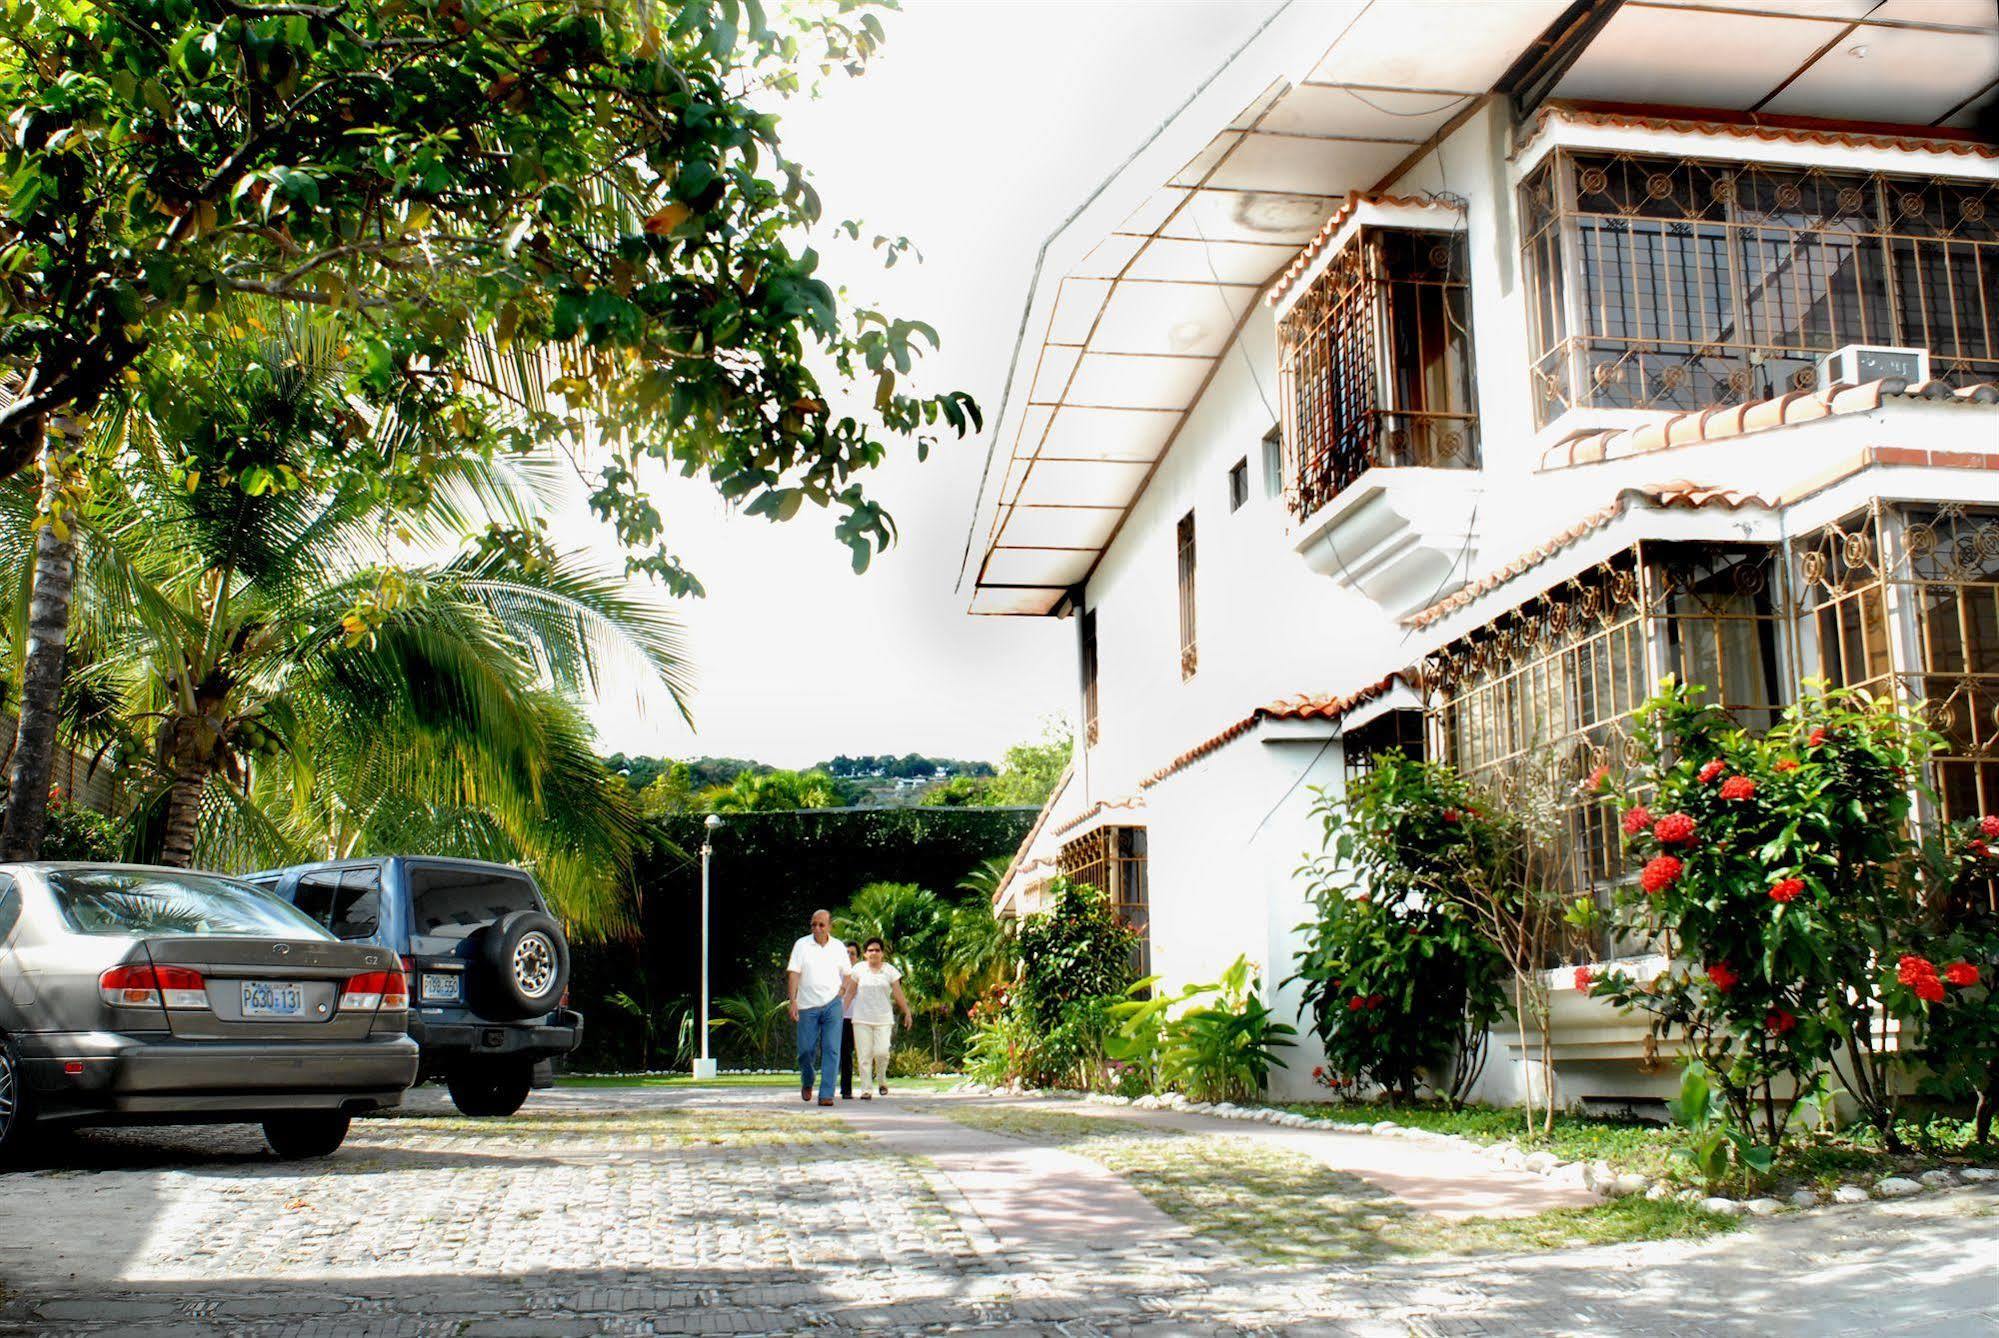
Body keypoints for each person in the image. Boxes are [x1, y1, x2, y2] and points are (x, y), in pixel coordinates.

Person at [785, 909, 851, 1107]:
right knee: (805, 1050)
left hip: (832, 1004)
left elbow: (848, 973)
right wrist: (793, 1000)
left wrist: (843, 989)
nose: (817, 928)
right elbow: (794, 974)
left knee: (832, 1049)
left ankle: (826, 1094)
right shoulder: (802, 945)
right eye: (814, 924)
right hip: (807, 1005)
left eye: (821, 924)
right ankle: (808, 1080)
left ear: (829, 926)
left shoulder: (838, 947)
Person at [843, 936, 914, 1099]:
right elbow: (850, 993)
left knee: (882, 1053)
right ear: (865, 954)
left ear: (882, 953)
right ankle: (866, 1089)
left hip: (883, 1019)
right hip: (861, 1019)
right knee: (864, 1056)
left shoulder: (890, 971)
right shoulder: (858, 970)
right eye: (870, 950)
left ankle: (882, 1079)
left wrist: (907, 1012)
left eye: (877, 950)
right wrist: (840, 1014)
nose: (873, 953)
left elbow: (898, 993)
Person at [838, 941, 860, 1101]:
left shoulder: (862, 974)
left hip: (857, 1018)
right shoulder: (835, 974)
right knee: (840, 1053)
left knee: (853, 1053)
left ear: (857, 957)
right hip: (839, 1018)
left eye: (852, 953)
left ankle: (851, 1089)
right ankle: (841, 1088)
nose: (849, 956)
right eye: (846, 953)